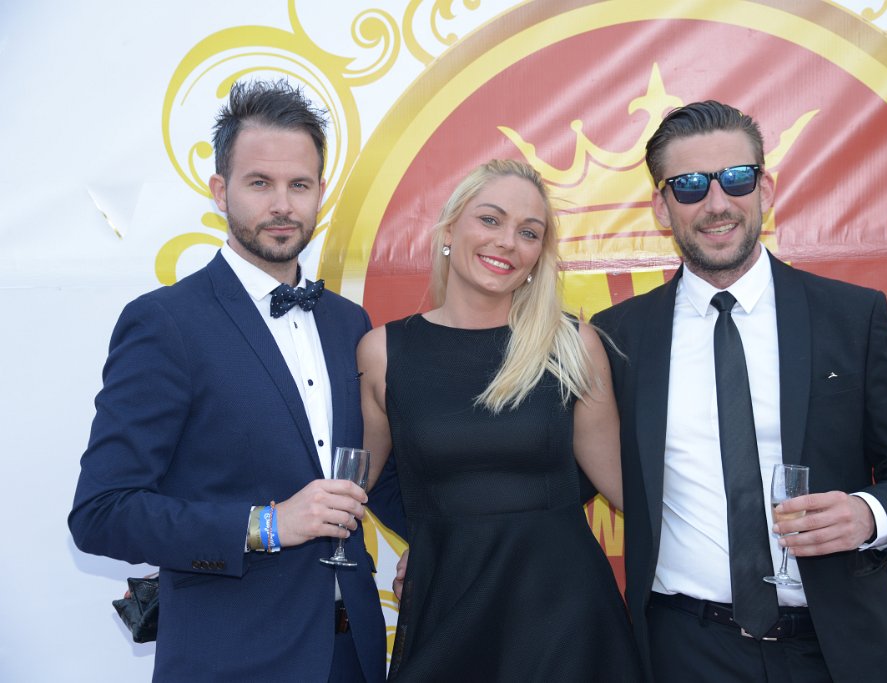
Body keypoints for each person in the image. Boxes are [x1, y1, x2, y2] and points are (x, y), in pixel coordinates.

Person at [591, 101, 887, 683]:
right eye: (689, 186)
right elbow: (550, 468)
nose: (716, 204)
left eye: (736, 178)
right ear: (661, 206)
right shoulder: (617, 337)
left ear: (766, 188)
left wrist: (868, 514)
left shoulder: (851, 317)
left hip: (838, 649)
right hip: (685, 650)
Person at [69, 80, 401, 683]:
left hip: (352, 655)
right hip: (233, 659)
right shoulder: (166, 323)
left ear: (321, 191)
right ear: (220, 191)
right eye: (259, 183)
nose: (282, 205)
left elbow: (375, 473)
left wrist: (447, 546)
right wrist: (266, 525)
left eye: (299, 185)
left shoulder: (348, 323)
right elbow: (102, 512)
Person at [357, 159, 644, 681]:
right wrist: (431, 537)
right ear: (449, 230)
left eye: (528, 232)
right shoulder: (383, 352)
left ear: (538, 256)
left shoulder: (571, 345)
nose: (508, 242)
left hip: (566, 620)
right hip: (447, 607)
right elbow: (362, 481)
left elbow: (627, 487)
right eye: (490, 219)